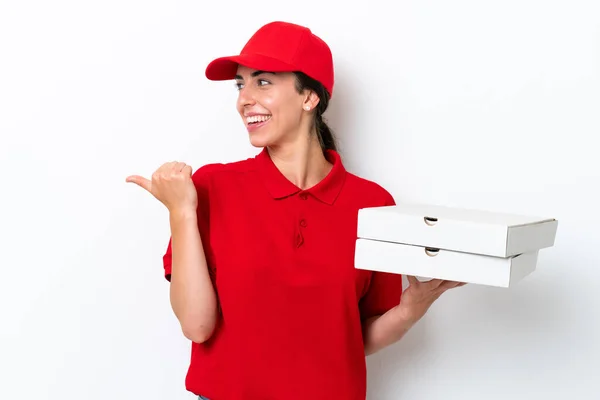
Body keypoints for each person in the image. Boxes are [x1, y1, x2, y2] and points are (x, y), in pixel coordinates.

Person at [126, 21, 465, 400]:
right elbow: (197, 326)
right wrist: (181, 212)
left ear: (310, 98)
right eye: (241, 84)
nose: (244, 99)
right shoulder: (211, 187)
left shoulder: (372, 205)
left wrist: (411, 309)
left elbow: (353, 339)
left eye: (263, 81)